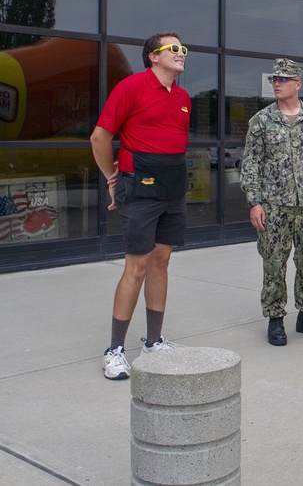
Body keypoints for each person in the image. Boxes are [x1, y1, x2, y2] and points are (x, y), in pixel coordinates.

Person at [90, 32, 190, 380]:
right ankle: (114, 350)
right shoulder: (131, 87)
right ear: (153, 57)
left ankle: (154, 341)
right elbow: (100, 136)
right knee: (136, 267)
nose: (181, 54)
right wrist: (111, 177)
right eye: (174, 49)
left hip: (173, 189)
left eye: (183, 49)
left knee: (161, 262)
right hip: (140, 188)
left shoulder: (183, 97)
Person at [240, 58, 303, 346]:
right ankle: (275, 319)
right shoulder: (261, 121)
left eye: (283, 80)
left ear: (298, 84)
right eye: (274, 79)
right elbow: (251, 164)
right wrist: (255, 202)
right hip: (274, 207)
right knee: (274, 264)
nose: (277, 84)